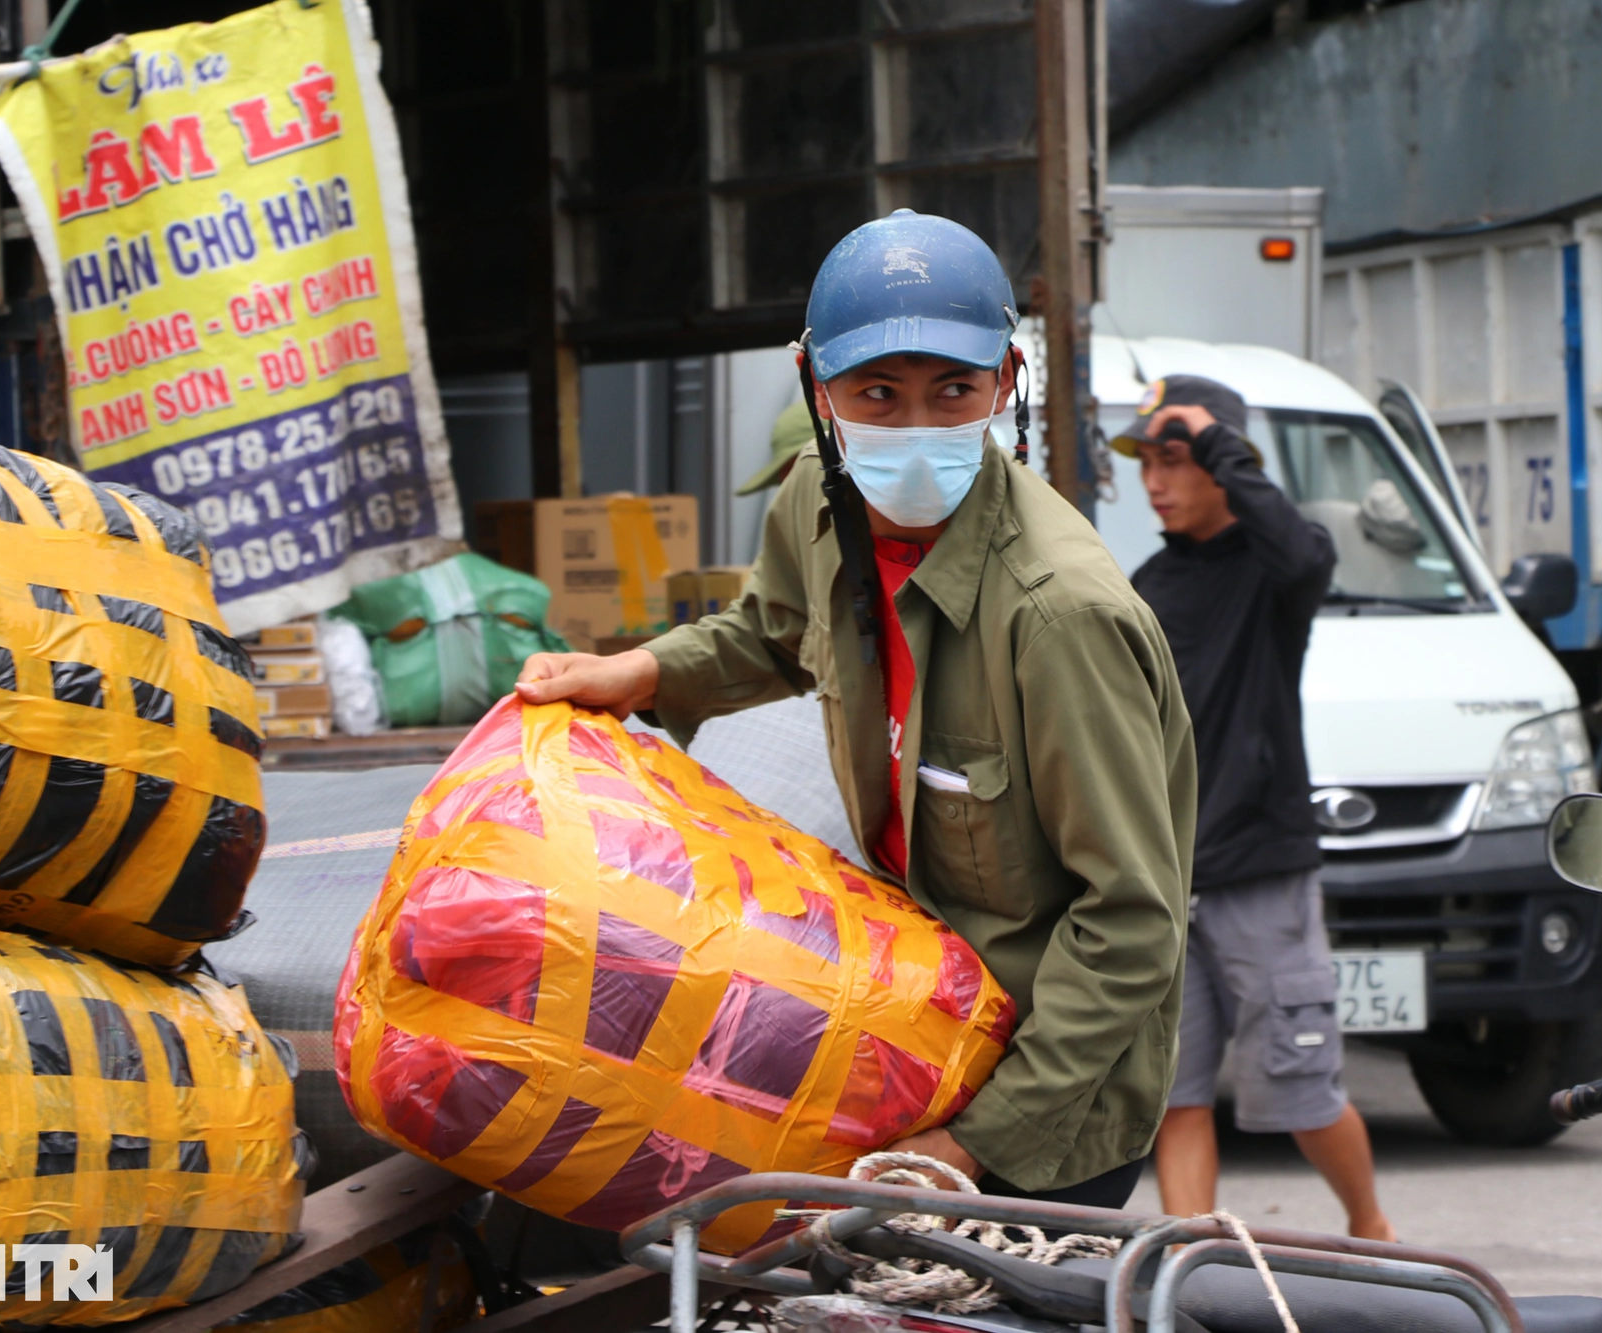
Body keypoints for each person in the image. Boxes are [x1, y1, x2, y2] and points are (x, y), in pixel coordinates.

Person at [516, 210, 1196, 1208]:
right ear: (815, 388)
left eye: (951, 391)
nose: (915, 428)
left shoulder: (1057, 617)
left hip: (1044, 1097)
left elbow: (1132, 923)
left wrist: (974, 1144)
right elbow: (771, 632)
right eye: (877, 394)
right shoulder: (812, 504)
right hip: (914, 1028)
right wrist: (641, 673)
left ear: (1006, 383)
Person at [1117, 375, 1396, 1241]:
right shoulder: (1151, 581)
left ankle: (1372, 1226)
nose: (1156, 482)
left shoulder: (1275, 570)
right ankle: (1187, 1266)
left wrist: (1219, 443)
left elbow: (1309, 553)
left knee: (1302, 1089)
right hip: (1170, 879)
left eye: (1175, 461)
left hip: (1262, 874)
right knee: (1178, 1094)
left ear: (1226, 467)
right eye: (1147, 465)